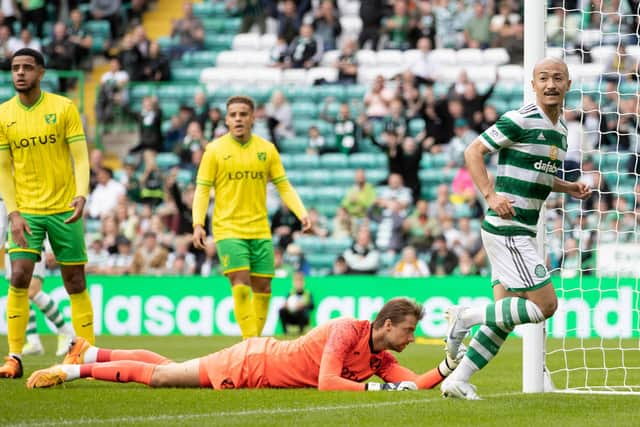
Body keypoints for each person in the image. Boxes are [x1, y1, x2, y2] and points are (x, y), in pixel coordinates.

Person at [441, 57, 592, 400]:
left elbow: (538, 172)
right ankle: (466, 315)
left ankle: (458, 379)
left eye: (557, 78)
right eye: (543, 78)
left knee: (504, 319)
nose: (551, 84)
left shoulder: (561, 131)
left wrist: (567, 187)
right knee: (545, 305)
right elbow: (473, 151)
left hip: (516, 229)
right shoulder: (520, 118)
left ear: (568, 84)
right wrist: (490, 195)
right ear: (533, 85)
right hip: (508, 228)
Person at [27, 298, 465, 391]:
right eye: (407, 332)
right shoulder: (346, 329)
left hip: (259, 362)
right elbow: (328, 382)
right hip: (251, 364)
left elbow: (418, 384)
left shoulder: (381, 356)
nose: (410, 340)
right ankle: (70, 370)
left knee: (171, 364)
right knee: (161, 378)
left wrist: (449, 365)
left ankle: (88, 352)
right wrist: (378, 389)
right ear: (386, 324)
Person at [0, 48, 94, 379]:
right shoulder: (3, 115)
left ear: (41, 72)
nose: (20, 73)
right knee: (19, 276)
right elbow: (3, 170)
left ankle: (86, 353)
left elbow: (81, 157)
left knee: (75, 281)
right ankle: (14, 356)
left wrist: (81, 193)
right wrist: (13, 212)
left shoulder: (63, 108)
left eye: (27, 67)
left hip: (63, 207)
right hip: (26, 211)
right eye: (15, 68)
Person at [192, 96, 311, 340]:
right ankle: (251, 344)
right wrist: (198, 223)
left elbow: (283, 185)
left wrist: (301, 212)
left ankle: (253, 347)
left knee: (264, 288)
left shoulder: (266, 150)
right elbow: (202, 189)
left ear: (253, 118)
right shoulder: (214, 150)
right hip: (228, 229)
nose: (238, 119)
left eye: (243, 114)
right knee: (241, 283)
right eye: (233, 114)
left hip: (260, 229)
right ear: (226, 120)